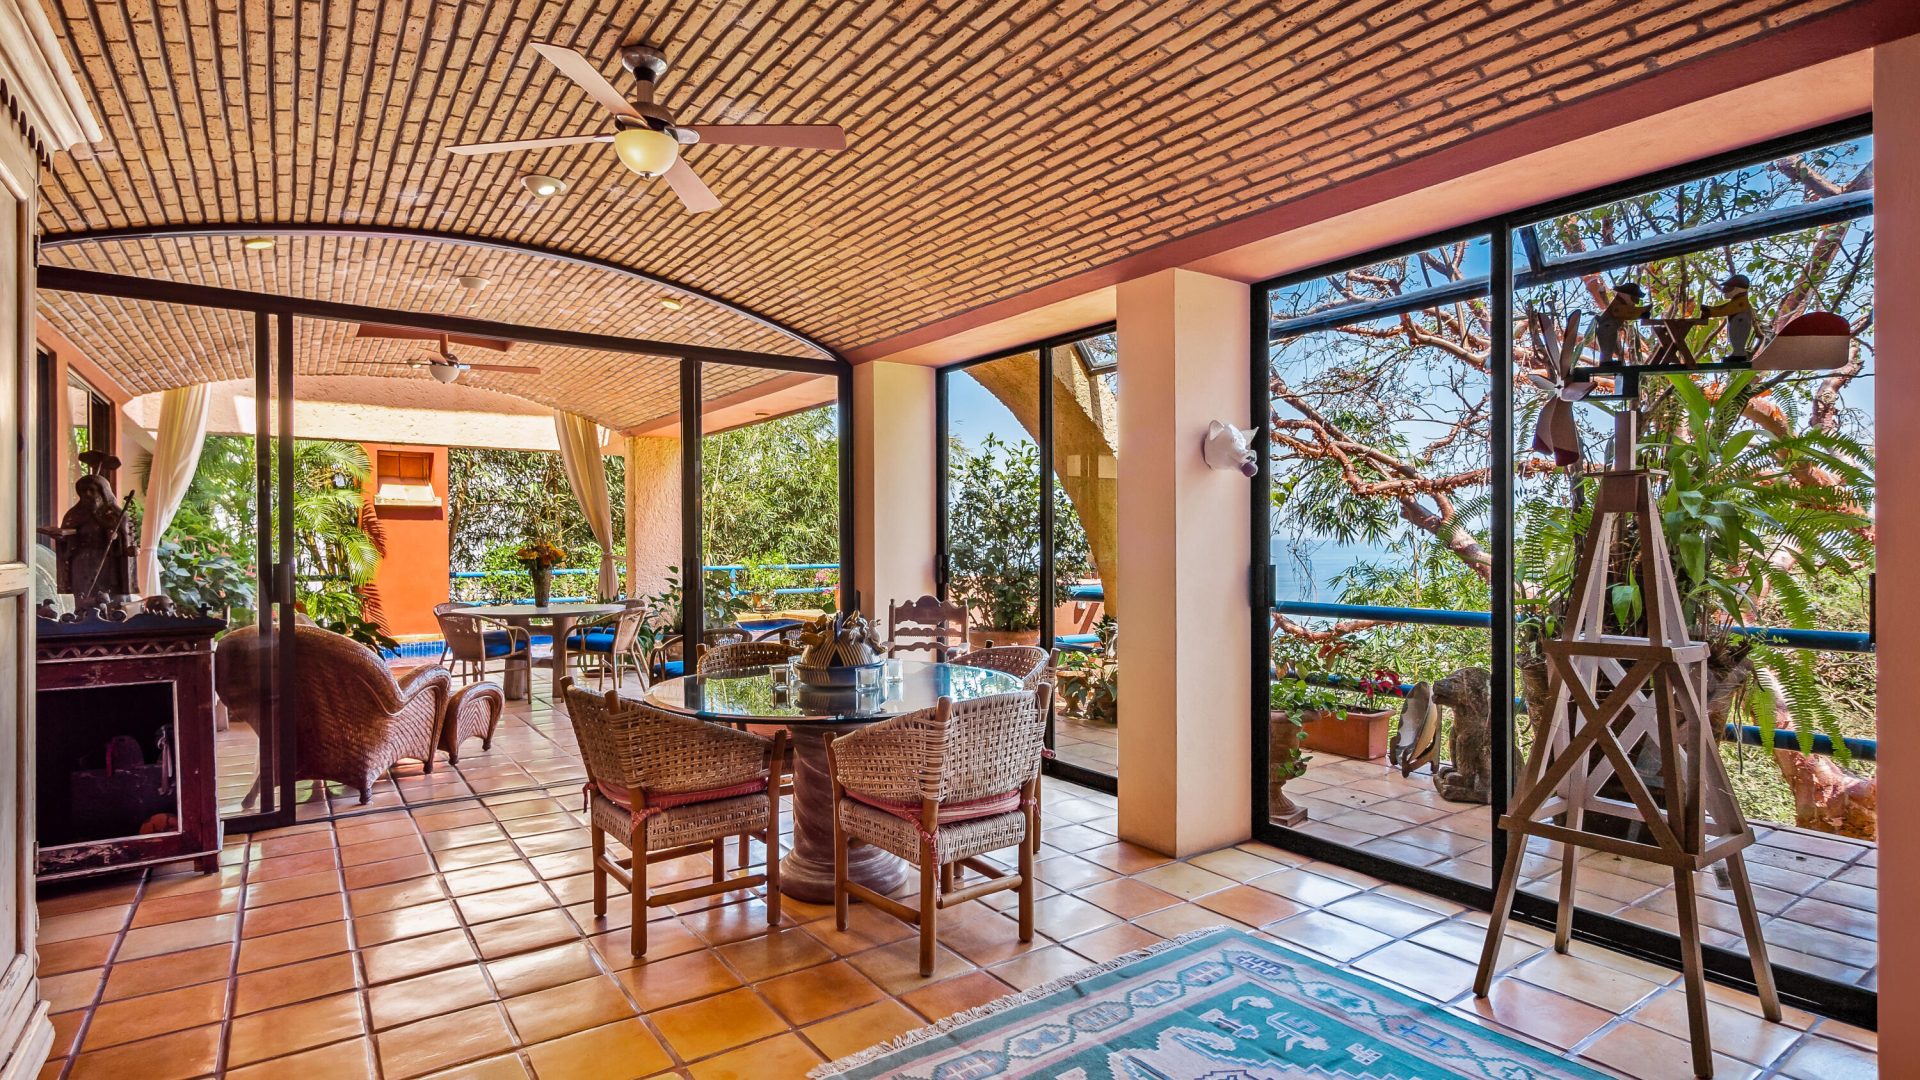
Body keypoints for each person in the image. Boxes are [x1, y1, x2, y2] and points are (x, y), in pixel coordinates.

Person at [1593, 282, 1648, 366]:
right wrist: (1641, 313)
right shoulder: (1618, 305)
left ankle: (1607, 361)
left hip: (1610, 328)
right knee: (1607, 347)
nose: (1635, 303)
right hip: (1607, 328)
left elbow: (1628, 312)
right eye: (1634, 298)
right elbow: (1628, 313)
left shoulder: (1621, 304)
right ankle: (1605, 363)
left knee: (1610, 346)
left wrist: (1642, 312)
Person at [1703, 273, 1755, 360]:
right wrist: (1708, 309)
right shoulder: (1737, 301)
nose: (1724, 291)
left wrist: (1709, 311)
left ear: (1738, 289)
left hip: (1740, 323)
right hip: (1737, 322)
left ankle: (1739, 355)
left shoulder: (1741, 302)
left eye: (1729, 288)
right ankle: (1737, 354)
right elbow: (1723, 308)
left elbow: (1724, 310)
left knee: (1738, 338)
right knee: (1734, 338)